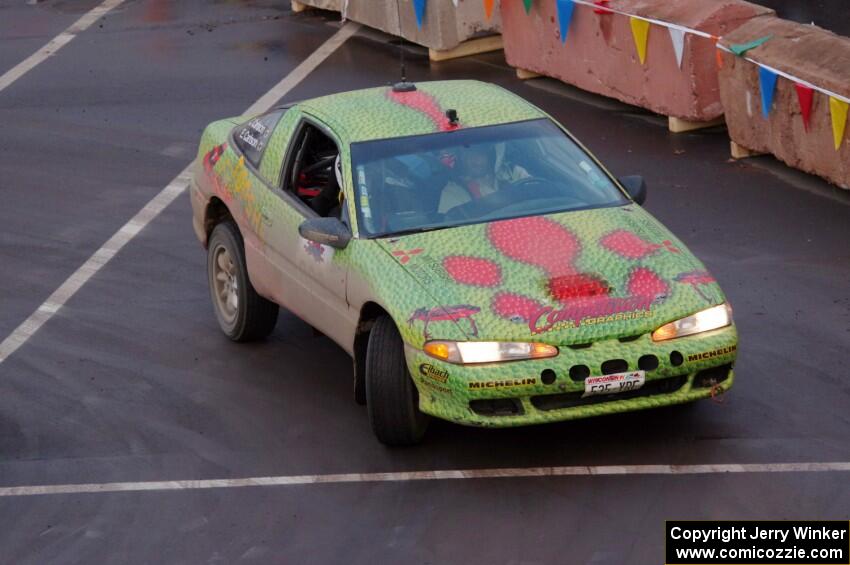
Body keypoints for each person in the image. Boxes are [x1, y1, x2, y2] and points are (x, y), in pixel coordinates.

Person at [438, 144, 527, 214]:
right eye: (467, 154)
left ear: (491, 155)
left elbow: (536, 193)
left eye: (479, 153)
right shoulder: (454, 192)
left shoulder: (514, 173)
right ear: (461, 158)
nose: (473, 161)